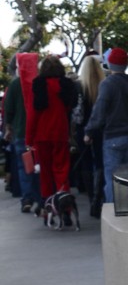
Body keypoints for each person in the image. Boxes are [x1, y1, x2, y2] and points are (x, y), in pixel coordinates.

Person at [84, 47, 128, 203]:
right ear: (126, 65)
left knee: (113, 179)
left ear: (110, 64)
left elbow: (99, 110)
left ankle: (115, 213)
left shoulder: (108, 84)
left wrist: (89, 132)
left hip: (113, 136)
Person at [27, 55, 79, 209]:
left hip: (41, 135)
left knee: (46, 174)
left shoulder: (37, 85)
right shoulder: (66, 85)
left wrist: (28, 140)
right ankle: (65, 206)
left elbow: (32, 115)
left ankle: (48, 206)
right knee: (62, 171)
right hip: (61, 133)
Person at [2, 56, 41, 212]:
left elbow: (8, 110)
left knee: (24, 167)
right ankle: (40, 197)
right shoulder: (39, 83)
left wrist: (8, 129)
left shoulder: (14, 84)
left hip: (20, 133)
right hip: (38, 133)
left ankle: (27, 198)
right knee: (38, 165)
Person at [74, 55, 106, 215]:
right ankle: (98, 199)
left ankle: (92, 199)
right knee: (100, 163)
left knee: (86, 163)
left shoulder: (79, 86)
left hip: (83, 130)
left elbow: (77, 113)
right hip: (101, 130)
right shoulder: (104, 85)